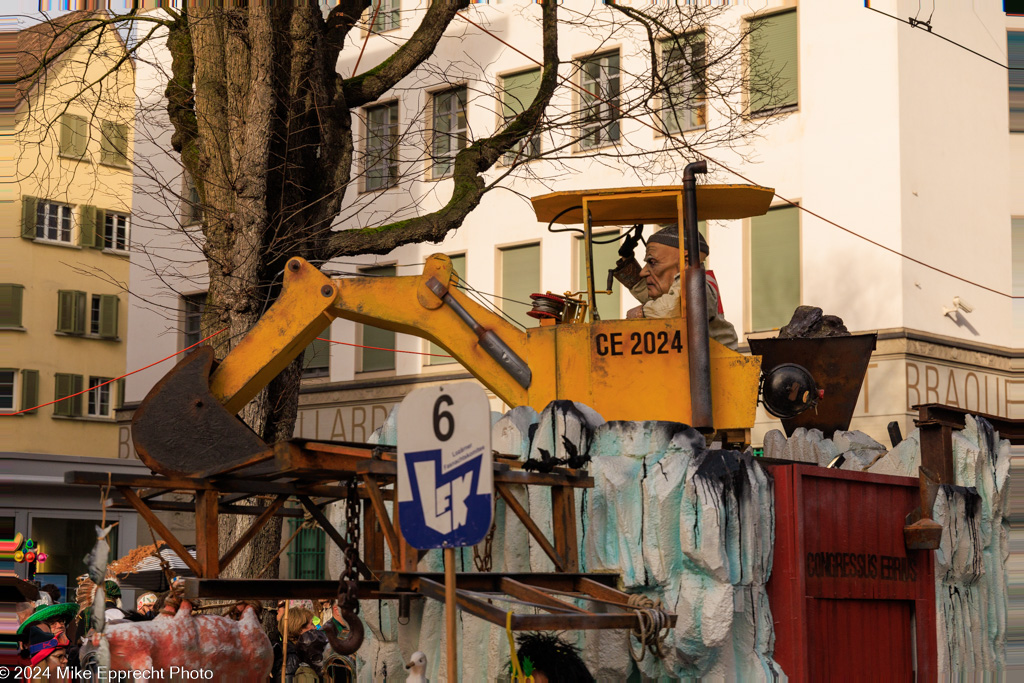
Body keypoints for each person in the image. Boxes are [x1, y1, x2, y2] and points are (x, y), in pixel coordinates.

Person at [615, 224, 738, 350]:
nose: (643, 272)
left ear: (686, 259)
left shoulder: (699, 284)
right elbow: (655, 298)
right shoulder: (678, 288)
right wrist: (626, 260)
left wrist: (642, 312)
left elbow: (674, 307)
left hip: (720, 363)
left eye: (652, 262)